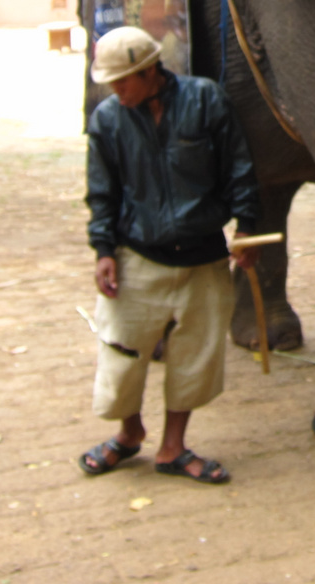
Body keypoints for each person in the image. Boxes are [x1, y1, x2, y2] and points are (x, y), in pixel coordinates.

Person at [79, 25, 261, 483]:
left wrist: (247, 226)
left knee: (194, 356)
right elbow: (101, 193)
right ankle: (128, 433)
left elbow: (238, 166)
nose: (116, 91)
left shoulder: (206, 101)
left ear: (148, 70)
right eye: (110, 83)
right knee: (121, 354)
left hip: (203, 257)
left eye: (123, 81)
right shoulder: (108, 120)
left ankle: (172, 447)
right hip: (137, 256)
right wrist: (103, 249)